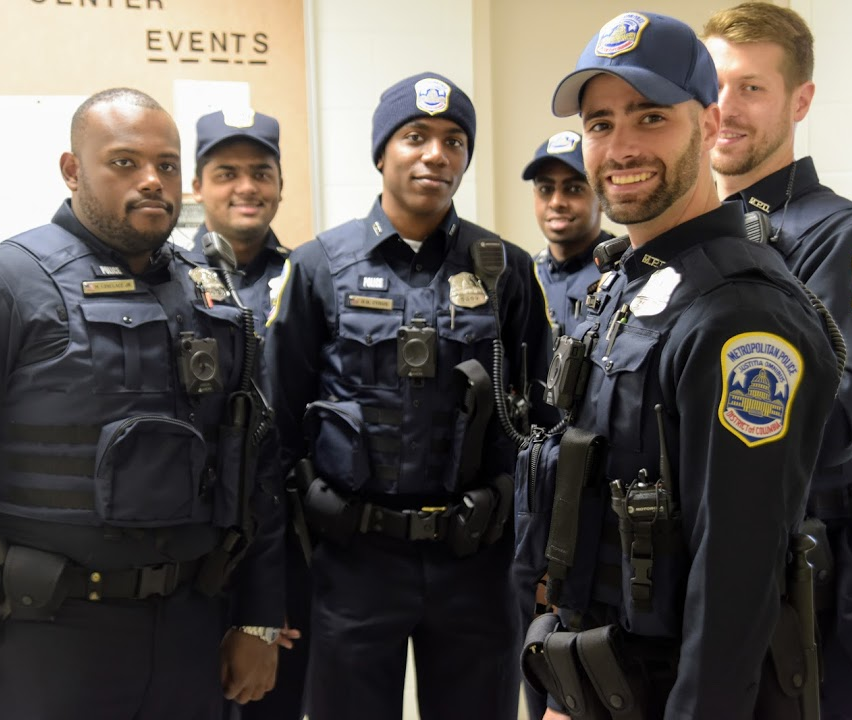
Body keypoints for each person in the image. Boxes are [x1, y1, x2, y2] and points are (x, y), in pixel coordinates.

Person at [0, 87, 285, 720]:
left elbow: (254, 461)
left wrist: (260, 620)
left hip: (192, 628)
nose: (152, 180)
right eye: (124, 162)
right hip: (50, 636)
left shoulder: (210, 298)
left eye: (168, 165)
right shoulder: (1, 286)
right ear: (73, 169)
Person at [513, 12, 841, 718]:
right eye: (599, 124)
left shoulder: (740, 314)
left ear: (709, 122)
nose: (620, 146)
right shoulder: (623, 284)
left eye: (650, 116)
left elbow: (736, 587)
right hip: (596, 681)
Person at [264, 71, 554, 720]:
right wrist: (277, 575)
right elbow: (277, 426)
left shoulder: (504, 266)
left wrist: (537, 552)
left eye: (454, 141)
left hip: (476, 559)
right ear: (381, 152)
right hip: (353, 558)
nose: (436, 154)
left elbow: (541, 421)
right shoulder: (319, 267)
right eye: (415, 136)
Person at [702, 4, 852, 718]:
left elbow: (839, 423)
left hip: (796, 588)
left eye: (752, 88)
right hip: (702, 577)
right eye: (715, 85)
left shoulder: (842, 235)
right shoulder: (689, 241)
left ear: (800, 100)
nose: (726, 108)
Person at [190, 107, 309, 720]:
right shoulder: (171, 282)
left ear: (280, 183)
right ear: (198, 185)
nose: (246, 187)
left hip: (286, 548)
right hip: (194, 551)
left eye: (261, 172)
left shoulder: (307, 279)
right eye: (226, 172)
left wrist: (276, 595)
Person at [524, 130, 613, 341]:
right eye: (546, 189)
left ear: (602, 198)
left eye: (573, 189)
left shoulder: (623, 274)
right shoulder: (526, 276)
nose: (556, 202)